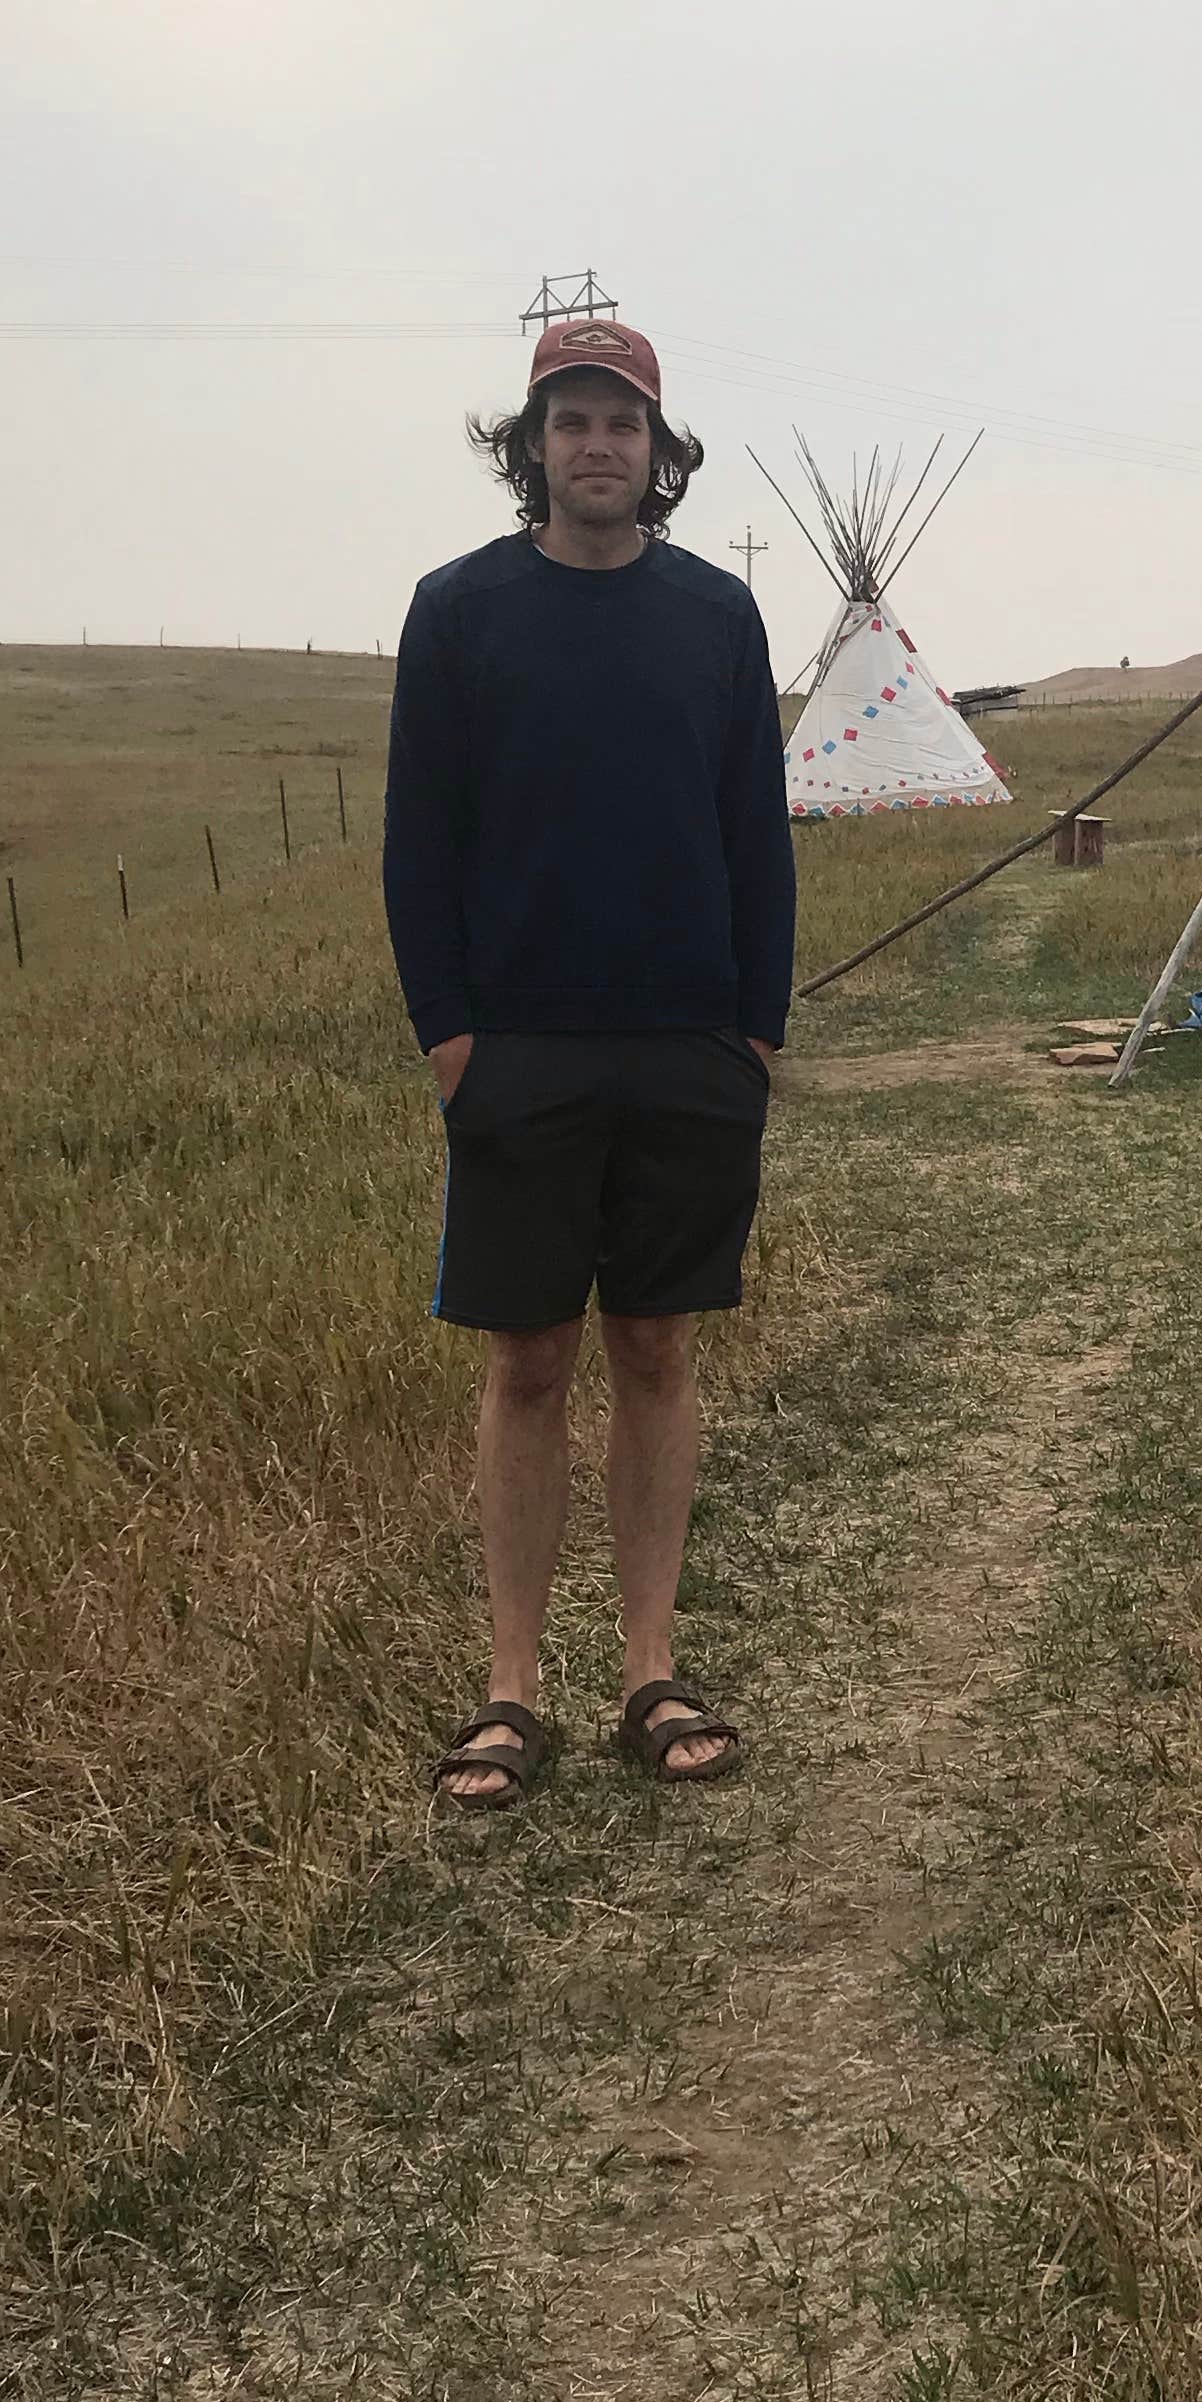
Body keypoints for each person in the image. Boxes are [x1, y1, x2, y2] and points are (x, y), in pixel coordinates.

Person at [383, 312, 796, 1813]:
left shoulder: (717, 620)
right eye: (570, 419)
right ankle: (511, 1690)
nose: (597, 445)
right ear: (532, 447)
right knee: (529, 1360)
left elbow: (760, 834)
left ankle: (648, 1668)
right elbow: (417, 850)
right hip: (521, 1052)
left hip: (690, 1047)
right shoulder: (459, 615)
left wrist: (756, 1035)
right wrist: (451, 1046)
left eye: (622, 421)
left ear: (660, 451)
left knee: (658, 1350)